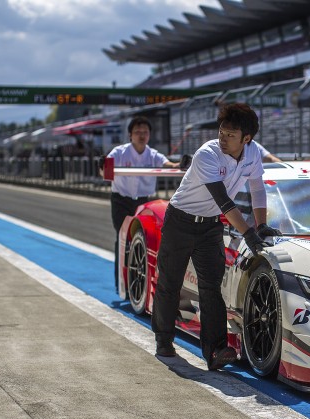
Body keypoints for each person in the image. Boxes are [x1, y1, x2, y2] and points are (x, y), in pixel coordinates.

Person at [152, 103, 279, 370]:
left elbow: (257, 188)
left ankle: (216, 351)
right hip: (180, 222)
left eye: (230, 135)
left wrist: (262, 224)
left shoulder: (253, 153)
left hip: (210, 227)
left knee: (211, 289)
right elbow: (223, 201)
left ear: (247, 139)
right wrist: (248, 233)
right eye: (221, 132)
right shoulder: (207, 154)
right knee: (169, 283)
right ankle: (164, 340)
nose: (223, 138)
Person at [104, 116, 180, 290]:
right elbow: (105, 166)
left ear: (149, 135)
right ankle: (121, 283)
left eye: (145, 132)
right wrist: (104, 165)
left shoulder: (152, 154)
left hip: (143, 202)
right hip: (121, 200)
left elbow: (168, 164)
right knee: (123, 238)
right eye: (137, 132)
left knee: (145, 240)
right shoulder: (120, 152)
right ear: (130, 135)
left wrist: (179, 164)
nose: (141, 135)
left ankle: (140, 282)